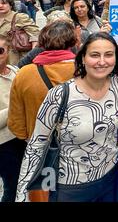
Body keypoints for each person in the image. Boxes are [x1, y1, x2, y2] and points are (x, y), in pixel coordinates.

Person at [16, 32, 118, 202]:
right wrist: (22, 196)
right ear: (82, 58)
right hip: (71, 187)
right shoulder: (60, 95)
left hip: (111, 179)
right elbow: (36, 146)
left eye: (109, 55)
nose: (102, 61)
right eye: (95, 55)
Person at [7, 21, 77, 202]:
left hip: (41, 153)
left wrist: (32, 138)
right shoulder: (84, 70)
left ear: (42, 44)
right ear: (73, 42)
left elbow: (16, 124)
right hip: (79, 152)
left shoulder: (24, 73)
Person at [0, 35, 22, 202]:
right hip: (4, 143)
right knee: (12, 186)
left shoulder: (16, 72)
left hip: (23, 137)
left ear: (8, 52)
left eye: (0, 50)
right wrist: (17, 105)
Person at [0, 0, 39, 65]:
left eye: (4, 3)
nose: (0, 6)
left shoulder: (19, 17)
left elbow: (35, 35)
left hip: (16, 59)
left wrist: (32, 55)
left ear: (11, 5)